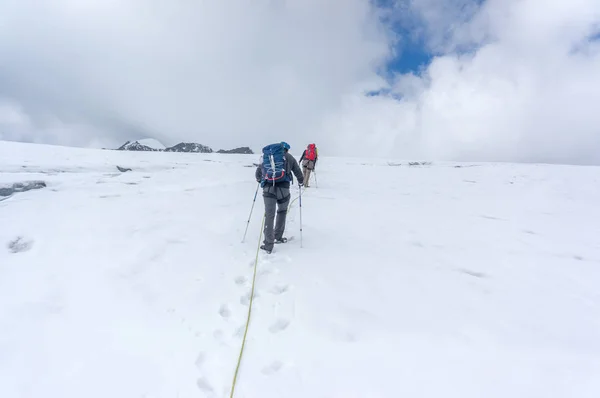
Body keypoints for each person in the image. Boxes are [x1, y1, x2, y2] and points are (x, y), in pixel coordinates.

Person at [255, 141, 304, 253]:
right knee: (282, 211)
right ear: (286, 149)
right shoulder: (288, 157)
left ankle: (268, 245)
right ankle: (278, 236)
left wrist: (260, 180)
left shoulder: (266, 157)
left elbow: (258, 173)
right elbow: (297, 170)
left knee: (269, 215)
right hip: (284, 189)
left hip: (268, 188)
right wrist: (301, 181)